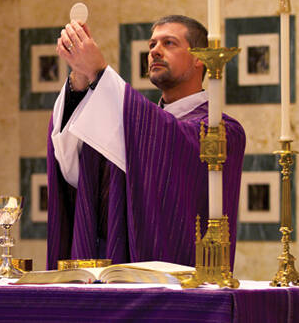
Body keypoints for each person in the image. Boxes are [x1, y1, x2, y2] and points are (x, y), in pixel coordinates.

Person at [47, 15, 246, 270]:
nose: (155, 52)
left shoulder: (224, 131)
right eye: (152, 45)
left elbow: (174, 147)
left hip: (178, 283)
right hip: (110, 273)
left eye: (169, 43)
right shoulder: (131, 125)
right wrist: (80, 79)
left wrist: (99, 72)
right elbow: (74, 166)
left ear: (200, 58)